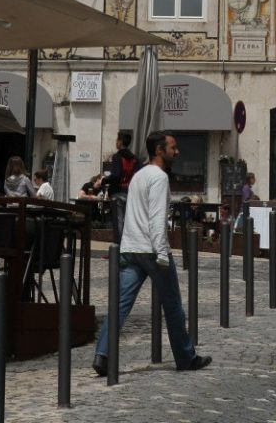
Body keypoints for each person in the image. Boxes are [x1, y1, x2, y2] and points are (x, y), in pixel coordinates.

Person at [93, 130, 211, 376]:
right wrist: (161, 253)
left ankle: (102, 354)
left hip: (130, 248)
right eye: (173, 147)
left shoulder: (138, 175)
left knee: (120, 305)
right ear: (159, 150)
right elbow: (157, 219)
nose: (177, 152)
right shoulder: (159, 178)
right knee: (173, 306)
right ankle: (186, 357)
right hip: (151, 249)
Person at [106, 131, 140, 198]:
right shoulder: (135, 158)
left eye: (117, 140)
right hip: (131, 192)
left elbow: (115, 176)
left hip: (117, 192)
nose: (116, 142)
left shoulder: (117, 157)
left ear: (120, 142)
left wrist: (103, 180)